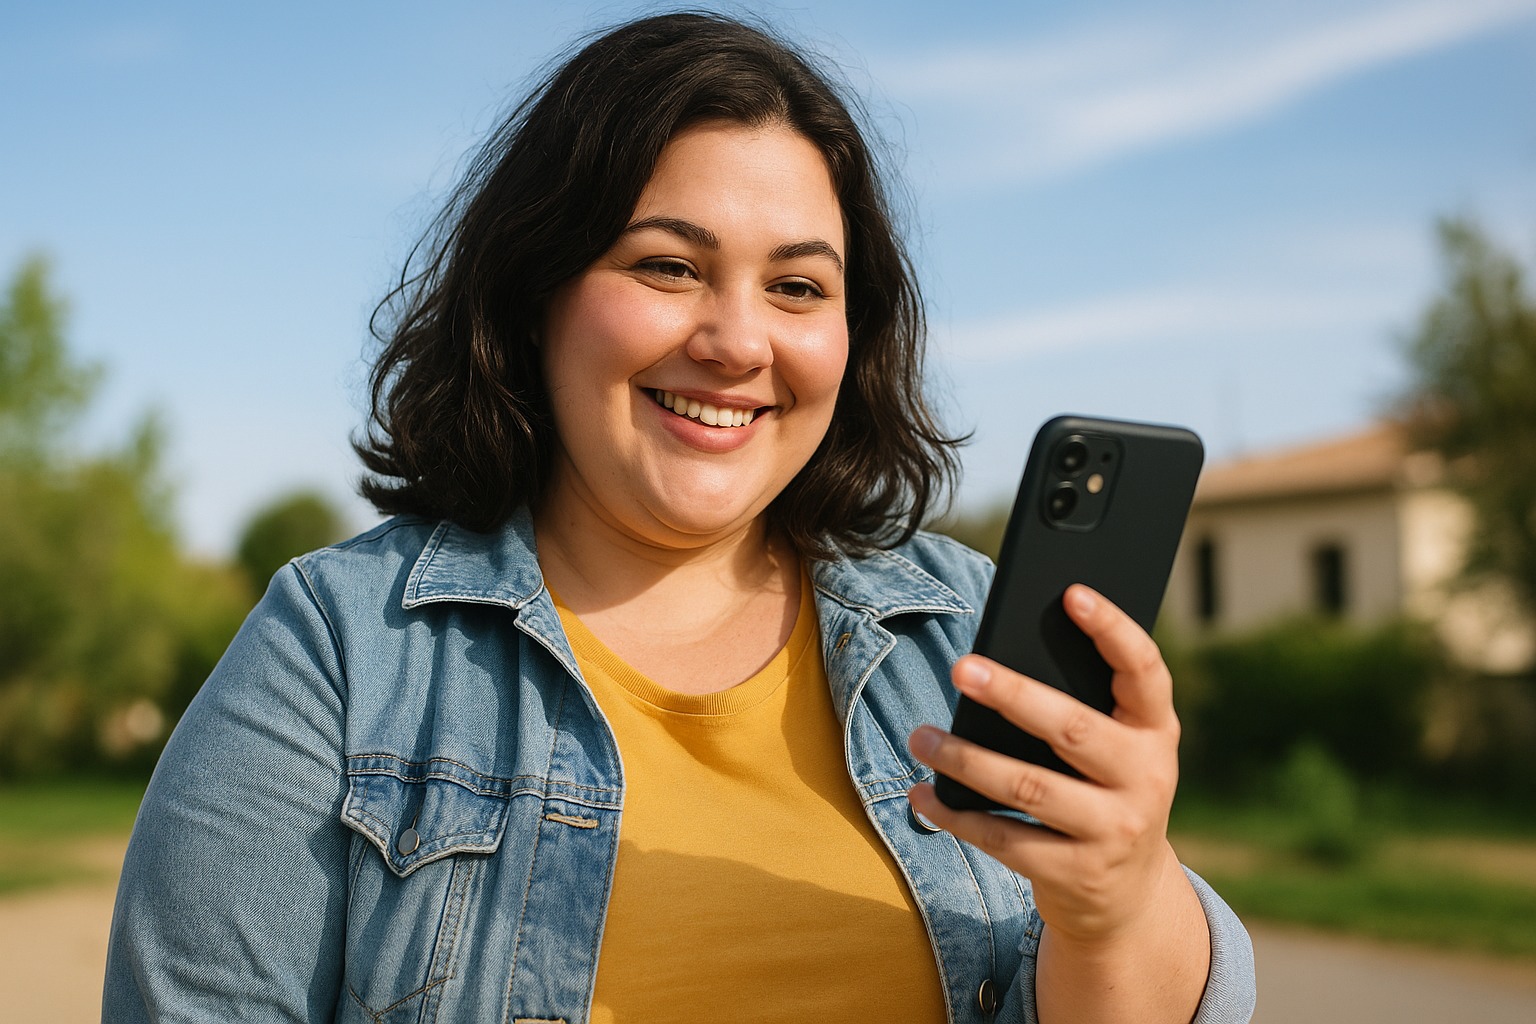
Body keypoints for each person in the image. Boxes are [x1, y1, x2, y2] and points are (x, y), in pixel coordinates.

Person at [103, 12, 1255, 1023]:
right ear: (535, 290)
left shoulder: (963, 632)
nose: (739, 341)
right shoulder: (339, 647)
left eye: (798, 286)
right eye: (668, 266)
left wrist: (1119, 900)